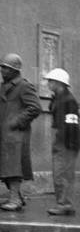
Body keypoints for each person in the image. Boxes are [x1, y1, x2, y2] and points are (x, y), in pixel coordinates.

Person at [0, 53, 42, 212]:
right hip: (3, 134)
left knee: (13, 168)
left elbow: (35, 107)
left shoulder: (24, 86)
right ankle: (16, 196)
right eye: (2, 67)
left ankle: (15, 199)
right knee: (3, 167)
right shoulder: (4, 86)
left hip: (16, 135)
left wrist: (17, 122)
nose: (2, 71)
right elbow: (0, 112)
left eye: (6, 68)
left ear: (15, 70)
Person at [44, 68, 78, 216]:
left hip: (66, 142)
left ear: (59, 83)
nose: (48, 84)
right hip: (61, 140)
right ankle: (63, 203)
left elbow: (72, 124)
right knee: (59, 174)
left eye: (51, 81)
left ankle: (65, 204)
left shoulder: (68, 100)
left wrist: (68, 144)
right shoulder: (59, 98)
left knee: (63, 174)